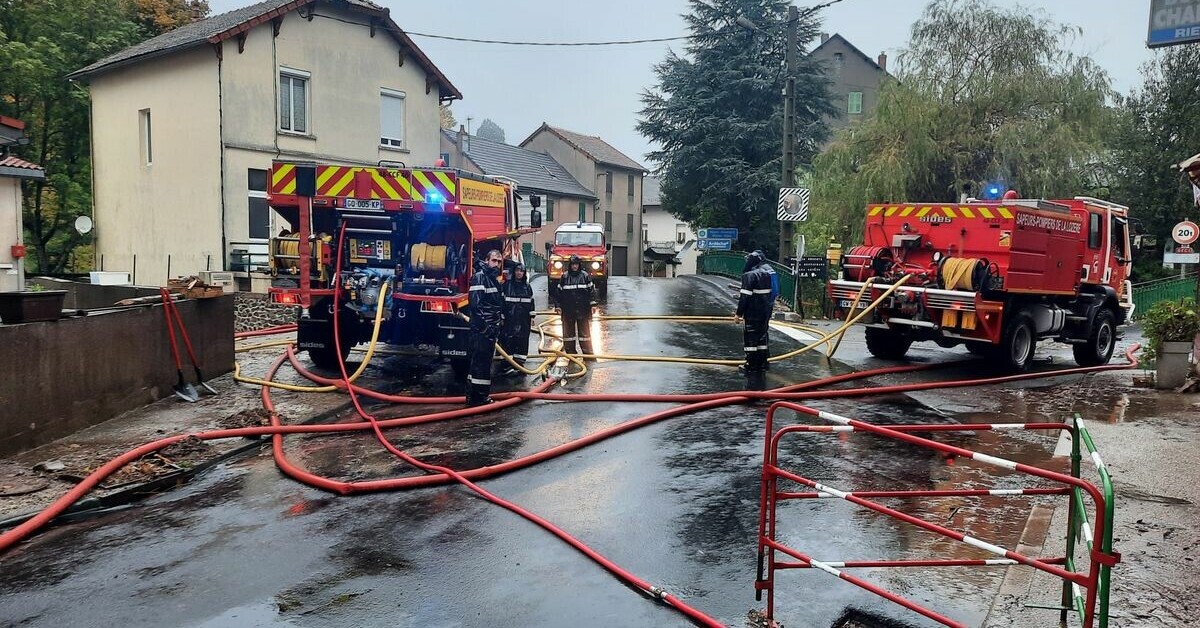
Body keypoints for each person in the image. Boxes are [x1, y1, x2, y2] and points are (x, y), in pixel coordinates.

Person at [466, 249, 505, 406]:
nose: (497, 264)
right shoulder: (480, 277)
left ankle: (474, 396)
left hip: (489, 329)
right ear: (487, 260)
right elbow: (475, 306)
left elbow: (494, 304)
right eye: (494, 260)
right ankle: (480, 398)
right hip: (482, 330)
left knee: (481, 363)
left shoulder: (492, 278)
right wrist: (484, 328)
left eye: (499, 261)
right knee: (481, 365)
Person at [734, 250, 776, 373]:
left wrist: (738, 314)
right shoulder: (766, 274)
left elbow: (744, 298)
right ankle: (762, 363)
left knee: (751, 337)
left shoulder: (749, 276)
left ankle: (751, 364)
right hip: (765, 311)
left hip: (753, 312)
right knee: (762, 336)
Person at [554, 254, 595, 356]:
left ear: (579, 265)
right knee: (568, 335)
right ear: (570, 265)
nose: (574, 267)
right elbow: (558, 293)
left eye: (576, 264)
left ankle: (587, 353)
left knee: (585, 334)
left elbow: (591, 292)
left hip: (582, 309)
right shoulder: (564, 277)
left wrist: (593, 305)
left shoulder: (585, 276)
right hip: (568, 310)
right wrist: (558, 306)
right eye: (573, 264)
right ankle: (571, 354)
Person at [500, 262, 535, 373]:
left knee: (522, 340)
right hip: (509, 319)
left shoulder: (527, 287)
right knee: (507, 340)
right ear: (514, 272)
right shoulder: (506, 285)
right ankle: (507, 364)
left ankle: (519, 364)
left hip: (523, 320)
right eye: (517, 270)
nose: (519, 273)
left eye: (521, 271)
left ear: (524, 273)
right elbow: (501, 302)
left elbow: (531, 302)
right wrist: (502, 316)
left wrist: (532, 316)